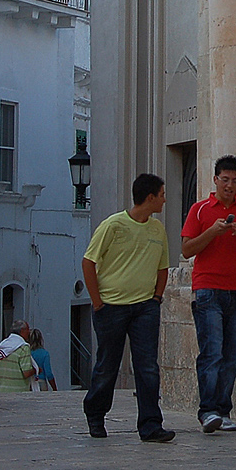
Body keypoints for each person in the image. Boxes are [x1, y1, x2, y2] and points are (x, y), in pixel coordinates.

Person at [82, 173, 175, 442]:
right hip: (111, 307)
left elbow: (162, 267)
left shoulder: (157, 229)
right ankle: (96, 415)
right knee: (107, 364)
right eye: (161, 194)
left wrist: (156, 298)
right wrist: (98, 302)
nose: (164, 199)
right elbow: (89, 262)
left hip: (145, 307)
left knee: (147, 366)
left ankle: (150, 425)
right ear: (150, 198)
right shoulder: (113, 225)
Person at [180, 154, 236, 433]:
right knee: (211, 352)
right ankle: (208, 410)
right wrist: (212, 233)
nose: (229, 185)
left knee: (231, 356)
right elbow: (187, 249)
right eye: (225, 180)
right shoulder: (200, 210)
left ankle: (223, 410)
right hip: (207, 290)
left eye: (235, 181)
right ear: (215, 180)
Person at [0, 320, 37, 392]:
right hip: (18, 392)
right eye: (28, 329)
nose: (29, 332)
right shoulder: (23, 347)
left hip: (1, 391)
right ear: (22, 330)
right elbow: (26, 373)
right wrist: (36, 369)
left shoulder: (4, 346)